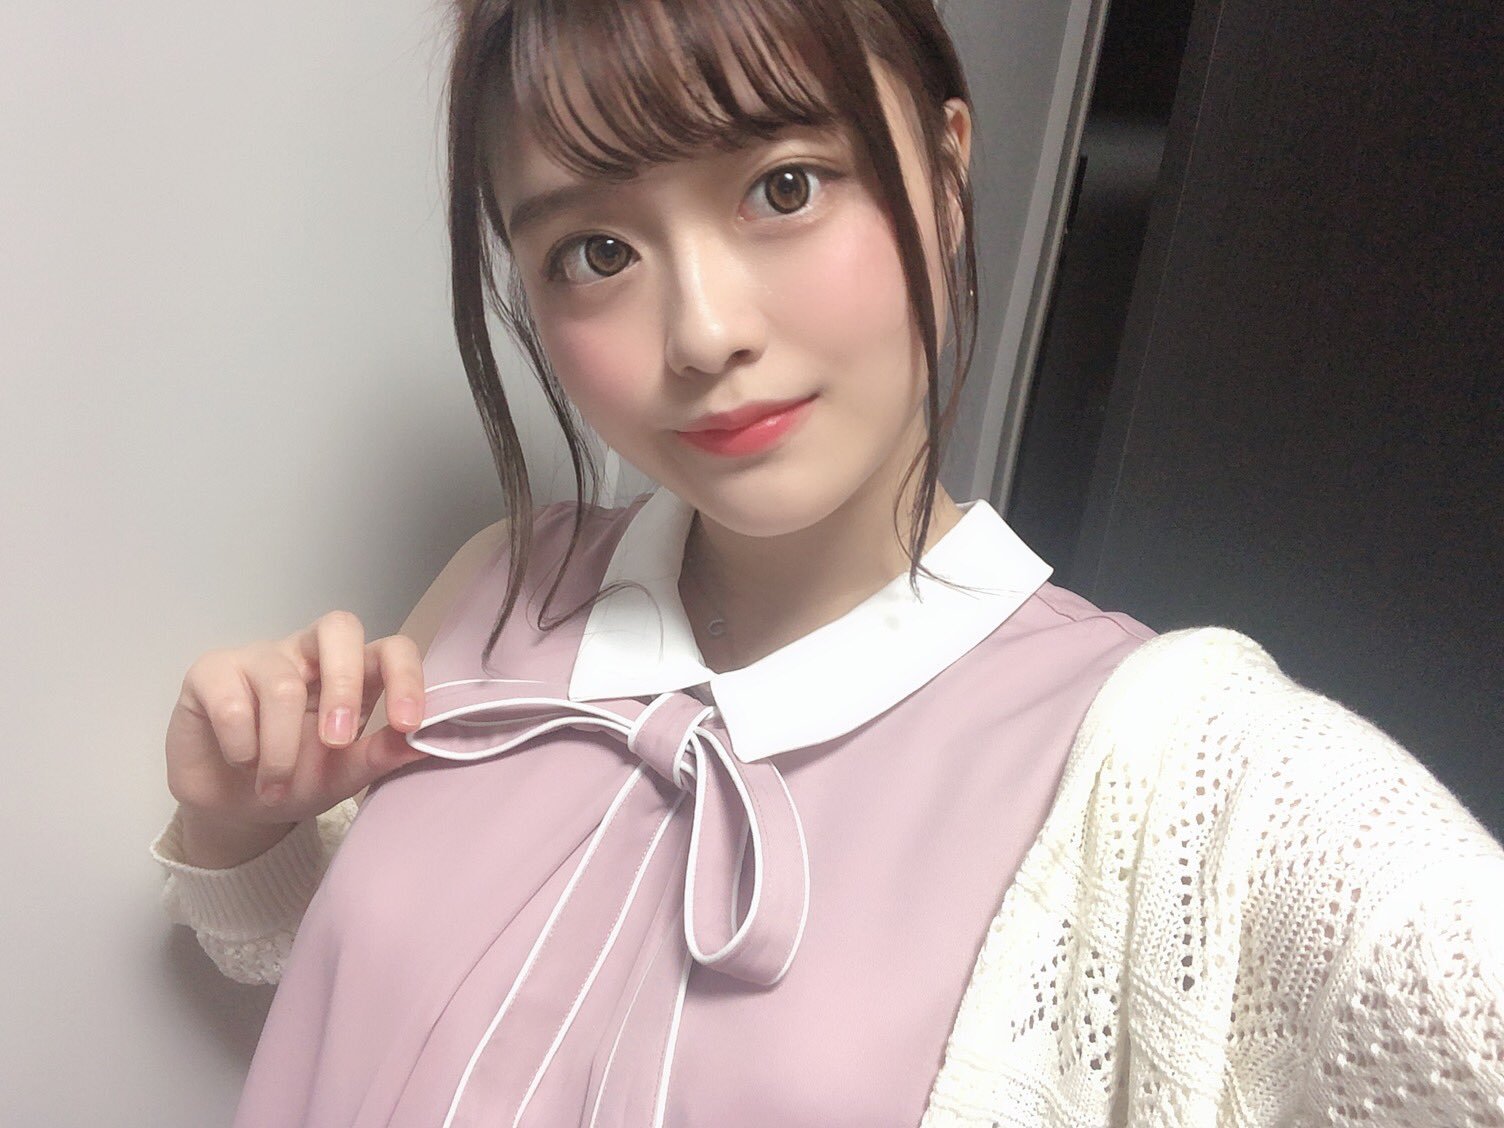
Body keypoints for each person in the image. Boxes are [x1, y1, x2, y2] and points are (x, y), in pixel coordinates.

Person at [150, 0, 1504, 1124]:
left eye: (783, 187)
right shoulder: (502, 584)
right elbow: (329, 986)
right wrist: (242, 823)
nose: (704, 331)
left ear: (948, 169)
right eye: (597, 251)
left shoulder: (1172, 770)